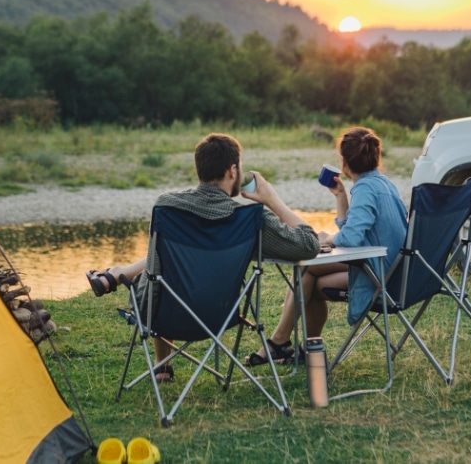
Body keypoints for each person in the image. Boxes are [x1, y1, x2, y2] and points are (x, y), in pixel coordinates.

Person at [86, 133, 320, 382]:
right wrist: (271, 199)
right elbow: (309, 245)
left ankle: (161, 363)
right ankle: (117, 275)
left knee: (158, 269)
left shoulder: (167, 206)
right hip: (220, 315)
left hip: (162, 315)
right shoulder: (250, 220)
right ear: (232, 171)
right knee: (159, 264)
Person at [243, 126, 407, 366]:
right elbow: (355, 230)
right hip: (393, 269)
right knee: (308, 273)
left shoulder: (364, 188)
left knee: (307, 272)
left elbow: (350, 239)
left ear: (344, 162)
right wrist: (341, 197)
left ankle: (280, 343)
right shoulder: (384, 184)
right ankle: (300, 347)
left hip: (380, 276)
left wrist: (327, 239)